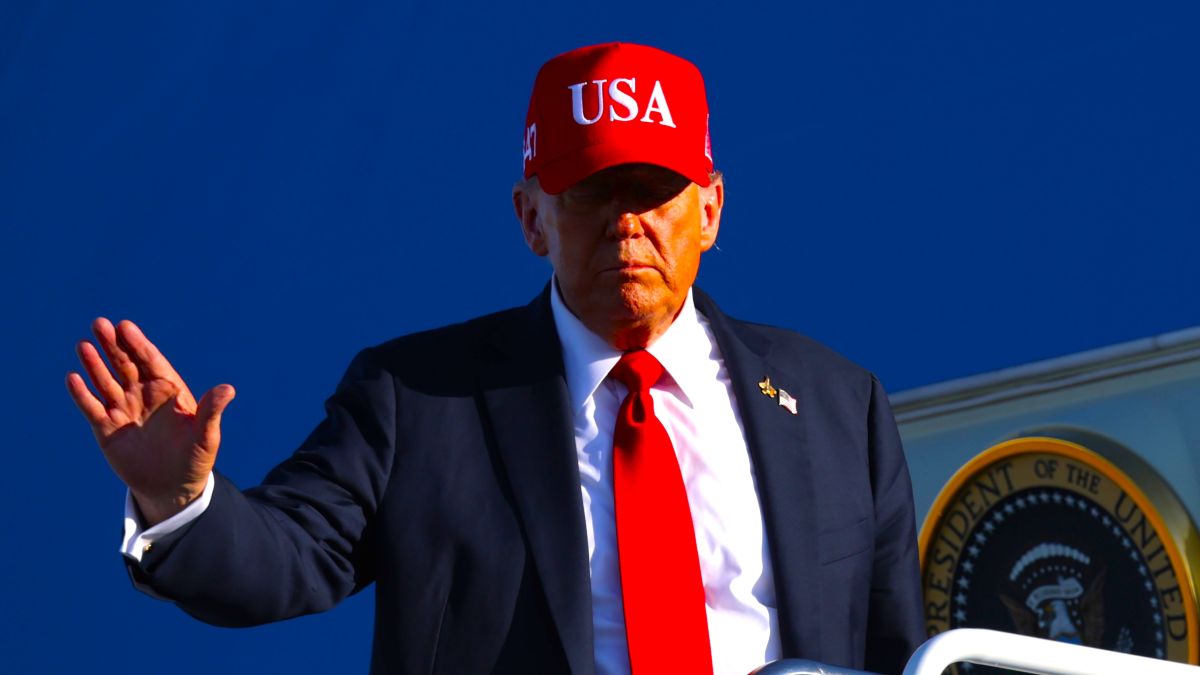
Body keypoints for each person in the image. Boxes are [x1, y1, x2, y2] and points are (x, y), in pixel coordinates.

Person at [67, 43, 923, 675]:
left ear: (710, 210)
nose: (626, 222)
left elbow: (896, 647)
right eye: (590, 191)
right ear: (530, 217)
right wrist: (180, 502)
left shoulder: (838, 404)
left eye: (654, 190)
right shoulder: (416, 399)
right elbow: (284, 558)